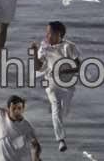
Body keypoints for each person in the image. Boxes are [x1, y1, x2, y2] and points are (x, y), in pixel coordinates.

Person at [30, 21, 80, 153]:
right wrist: (35, 53)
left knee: (64, 111)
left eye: (50, 33)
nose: (47, 36)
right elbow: (38, 67)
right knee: (56, 109)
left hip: (68, 85)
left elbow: (77, 66)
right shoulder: (44, 47)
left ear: (58, 34)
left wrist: (61, 71)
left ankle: (59, 118)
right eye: (46, 33)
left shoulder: (69, 47)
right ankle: (61, 140)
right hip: (51, 83)